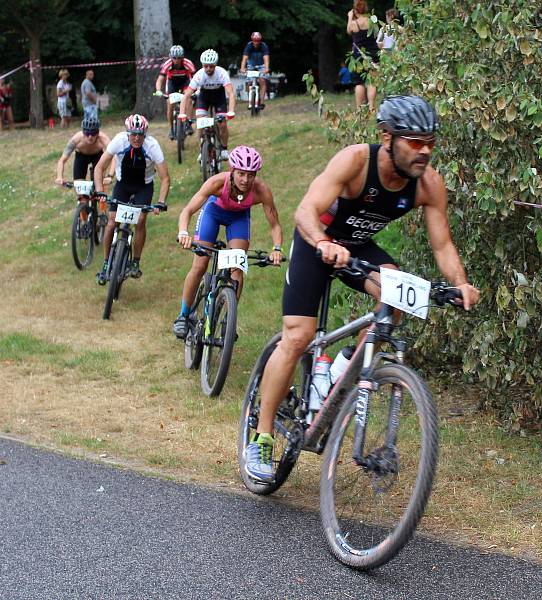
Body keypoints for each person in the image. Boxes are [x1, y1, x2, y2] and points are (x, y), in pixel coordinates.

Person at [243, 95, 481, 482]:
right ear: (387, 137)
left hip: (357, 249)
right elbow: (304, 210)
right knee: (299, 335)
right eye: (414, 142)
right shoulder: (355, 161)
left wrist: (461, 283)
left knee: (396, 295)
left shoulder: (429, 183)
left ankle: (339, 371)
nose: (424, 151)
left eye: (430, 143)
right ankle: (263, 437)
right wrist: (323, 242)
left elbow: (442, 244)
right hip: (316, 241)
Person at [173, 146, 283, 338]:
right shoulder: (217, 183)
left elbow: (275, 225)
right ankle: (183, 315)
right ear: (232, 171)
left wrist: (276, 249)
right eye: (241, 174)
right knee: (200, 265)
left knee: (236, 268)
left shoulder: (261, 190)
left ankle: (228, 320)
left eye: (251, 175)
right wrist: (183, 232)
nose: (246, 180)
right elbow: (188, 210)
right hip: (213, 213)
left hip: (238, 219)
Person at [92, 114, 170, 283]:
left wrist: (161, 201)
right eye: (133, 134)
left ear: (145, 134)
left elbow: (165, 178)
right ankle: (106, 264)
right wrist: (99, 191)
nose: (136, 138)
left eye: (140, 134)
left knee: (141, 220)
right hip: (123, 185)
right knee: (112, 222)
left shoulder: (152, 146)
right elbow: (99, 168)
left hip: (143, 186)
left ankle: (135, 262)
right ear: (127, 133)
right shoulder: (119, 141)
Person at [179, 49, 235, 161]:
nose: (208, 69)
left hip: (219, 97)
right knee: (200, 124)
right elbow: (186, 96)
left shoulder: (222, 73)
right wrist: (182, 113)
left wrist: (231, 110)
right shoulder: (199, 75)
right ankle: (202, 150)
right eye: (206, 66)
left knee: (222, 124)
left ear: (215, 65)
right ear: (202, 65)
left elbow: (230, 93)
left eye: (211, 66)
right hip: (204, 96)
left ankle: (224, 148)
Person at [55, 114, 113, 185]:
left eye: (93, 133)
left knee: (98, 183)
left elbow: (114, 157)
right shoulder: (76, 139)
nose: (90, 137)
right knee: (79, 184)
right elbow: (62, 160)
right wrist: (59, 177)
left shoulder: (103, 139)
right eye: (87, 133)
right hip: (81, 156)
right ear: (83, 132)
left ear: (98, 133)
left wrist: (110, 175)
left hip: (97, 155)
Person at [155, 45, 196, 140]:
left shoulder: (188, 63)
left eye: (179, 58)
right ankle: (171, 128)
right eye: (174, 58)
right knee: (169, 102)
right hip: (172, 84)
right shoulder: (167, 64)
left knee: (189, 98)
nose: (176, 60)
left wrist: (195, 91)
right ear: (170, 57)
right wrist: (158, 90)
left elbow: (195, 78)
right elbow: (160, 79)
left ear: (182, 57)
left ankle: (188, 123)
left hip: (185, 82)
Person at [346, 0, 379, 111]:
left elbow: (348, 31)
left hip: (358, 56)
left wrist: (350, 17)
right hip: (373, 53)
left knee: (359, 83)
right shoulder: (370, 20)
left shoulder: (354, 24)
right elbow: (376, 34)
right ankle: (371, 107)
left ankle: (359, 109)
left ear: (355, 9)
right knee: (372, 81)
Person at [239, 32, 270, 109]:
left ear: (260, 40)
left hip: (261, 65)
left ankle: (262, 102)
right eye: (254, 40)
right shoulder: (249, 46)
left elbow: (266, 58)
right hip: (251, 64)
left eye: (258, 40)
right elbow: (245, 58)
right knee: (249, 82)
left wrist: (266, 68)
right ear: (252, 40)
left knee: (262, 80)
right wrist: (242, 68)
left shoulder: (263, 46)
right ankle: (250, 98)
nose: (256, 42)